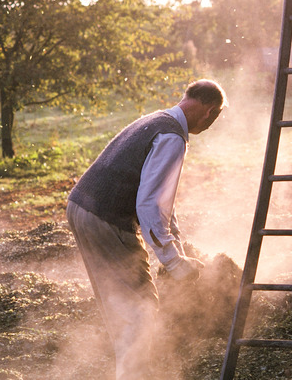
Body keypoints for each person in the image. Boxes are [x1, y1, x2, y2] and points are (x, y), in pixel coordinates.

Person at [66, 79, 227, 379]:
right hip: (106, 217)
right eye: (213, 119)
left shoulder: (156, 120)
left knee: (120, 307)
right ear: (209, 113)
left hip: (81, 208)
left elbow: (162, 200)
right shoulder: (172, 136)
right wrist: (173, 261)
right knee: (139, 309)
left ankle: (129, 372)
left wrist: (176, 243)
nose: (210, 125)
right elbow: (151, 204)